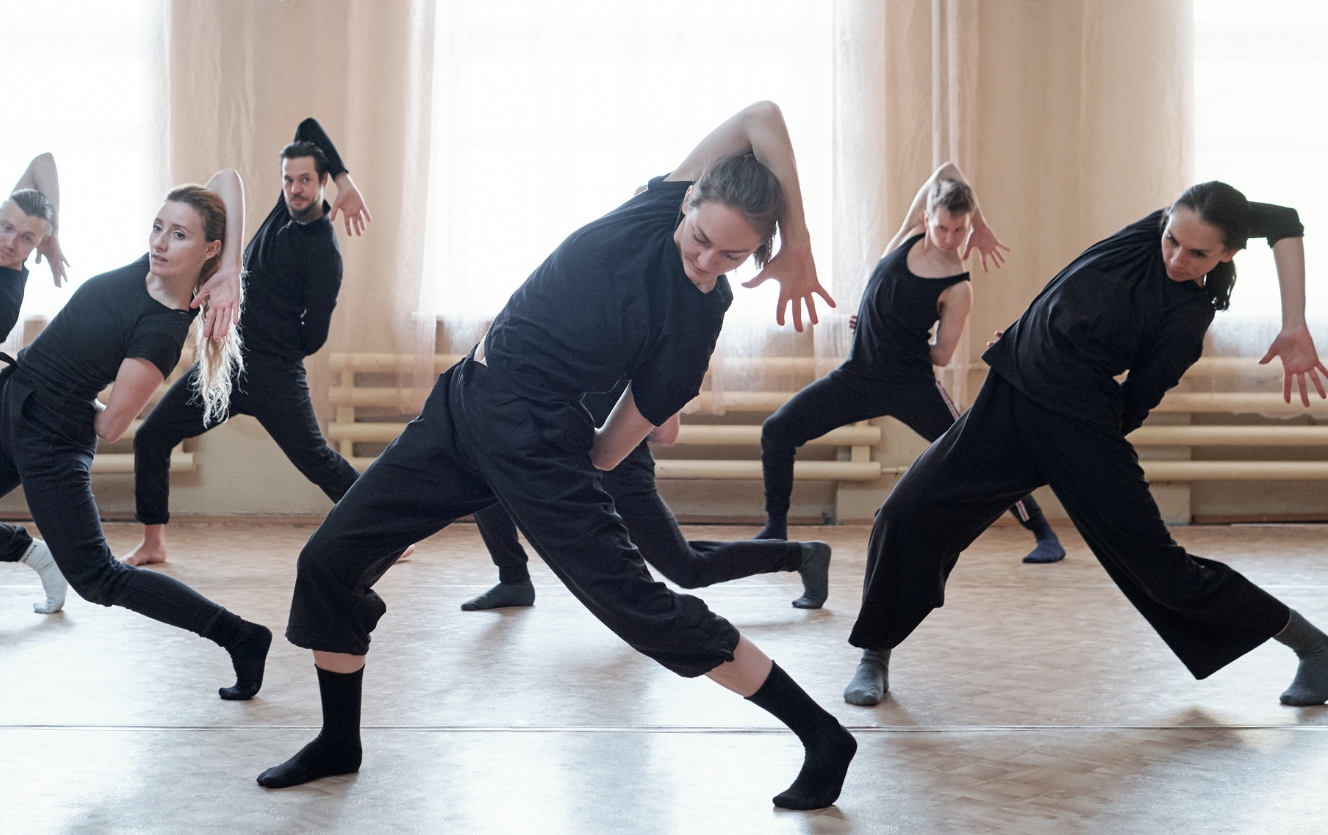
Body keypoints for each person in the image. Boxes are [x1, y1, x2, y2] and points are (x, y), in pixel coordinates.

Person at [257, 102, 858, 811]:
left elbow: (616, 441)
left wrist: (554, 466)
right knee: (329, 562)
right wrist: (799, 240)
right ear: (686, 199)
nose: (704, 261)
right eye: (700, 238)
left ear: (749, 258)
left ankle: (823, 737)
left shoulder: (696, 318)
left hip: (538, 448)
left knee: (645, 612)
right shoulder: (653, 207)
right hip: (461, 406)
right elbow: (760, 116)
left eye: (731, 256)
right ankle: (339, 741)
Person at [847, 181, 1328, 710]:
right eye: (1173, 240)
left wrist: (1293, 323)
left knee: (1163, 574)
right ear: (1163, 221)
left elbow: (1138, 398)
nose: (1176, 257)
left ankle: (1313, 647)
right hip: (1007, 399)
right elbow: (1278, 216)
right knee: (906, 512)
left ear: (1228, 254)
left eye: (1199, 254)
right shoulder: (1144, 236)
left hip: (1082, 430)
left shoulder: (1186, 316)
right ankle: (875, 652)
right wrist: (1028, 345)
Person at [0, 175, 273, 700]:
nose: (160, 242)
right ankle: (29, 553)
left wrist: (60, 407)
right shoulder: (152, 269)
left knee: (98, 579)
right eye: (158, 227)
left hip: (47, 438)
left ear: (206, 247)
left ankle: (241, 636)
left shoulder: (162, 327)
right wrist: (230, 270)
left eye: (178, 235)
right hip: (9, 408)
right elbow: (228, 178)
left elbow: (112, 425)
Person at [756, 163, 1064, 575]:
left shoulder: (958, 286)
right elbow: (947, 169)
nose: (950, 239)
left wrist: (896, 332)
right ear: (926, 219)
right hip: (857, 377)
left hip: (911, 385)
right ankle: (776, 528)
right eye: (942, 229)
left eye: (961, 231)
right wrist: (871, 322)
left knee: (981, 452)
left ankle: (1045, 534)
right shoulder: (905, 238)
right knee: (777, 431)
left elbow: (941, 355)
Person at [126, 120, 370, 566]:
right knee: (152, 437)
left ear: (320, 185)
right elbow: (309, 127)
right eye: (288, 179)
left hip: (274, 373)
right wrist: (345, 178)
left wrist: (272, 342)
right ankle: (153, 543)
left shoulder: (322, 250)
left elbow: (314, 335)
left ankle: (387, 530)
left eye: (305, 181)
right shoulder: (285, 208)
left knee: (318, 461)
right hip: (226, 363)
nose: (295, 189)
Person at [461, 383, 832, 614]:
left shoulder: (637, 343)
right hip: (565, 464)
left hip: (620, 472)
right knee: (487, 475)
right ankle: (513, 580)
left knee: (688, 569)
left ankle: (802, 555)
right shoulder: (623, 335)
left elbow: (665, 435)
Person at [0, 153, 70, 612]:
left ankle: (34, 555)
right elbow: (42, 163)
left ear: (35, 244)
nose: (10, 242)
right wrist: (53, 238)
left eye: (27, 238)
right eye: (7, 227)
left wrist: (48, 237)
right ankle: (34, 555)